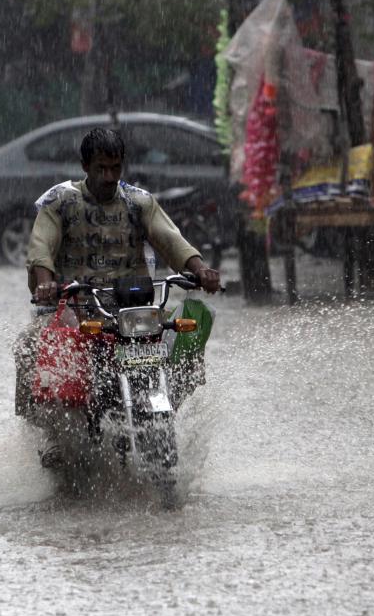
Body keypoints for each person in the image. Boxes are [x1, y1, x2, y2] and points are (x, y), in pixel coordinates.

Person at [15, 127, 222, 466]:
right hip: (76, 308)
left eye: (115, 168)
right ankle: (51, 435)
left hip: (134, 308)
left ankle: (164, 406)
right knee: (30, 345)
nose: (109, 176)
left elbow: (170, 238)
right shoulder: (59, 202)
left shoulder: (138, 201)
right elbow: (41, 247)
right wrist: (44, 283)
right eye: (101, 169)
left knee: (189, 327)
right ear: (85, 166)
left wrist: (200, 269)